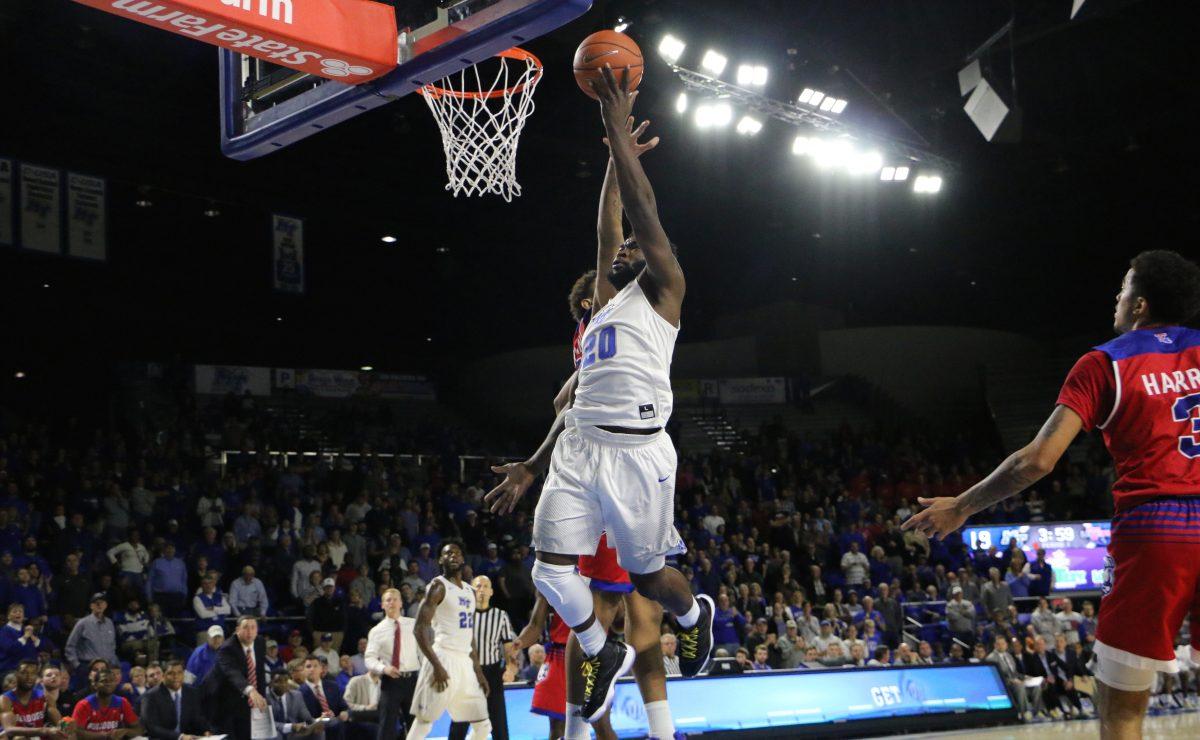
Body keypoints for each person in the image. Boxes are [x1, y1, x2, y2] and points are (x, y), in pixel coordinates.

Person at [486, 64, 713, 726]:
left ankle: (694, 613)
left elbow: (640, 212)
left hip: (639, 454)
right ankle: (596, 645)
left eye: (636, 248)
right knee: (550, 572)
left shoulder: (666, 288)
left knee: (649, 579)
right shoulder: (606, 306)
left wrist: (618, 133)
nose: (623, 253)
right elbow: (611, 225)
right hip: (582, 447)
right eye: (622, 251)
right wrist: (615, 162)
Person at [904, 251, 1200, 739]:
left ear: (1141, 305)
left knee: (1122, 708)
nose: (1117, 298)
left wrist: (961, 505)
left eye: (1123, 288)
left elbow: (1038, 460)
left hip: (1157, 528)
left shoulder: (1105, 362)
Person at [404, 542, 490, 740]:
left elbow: (470, 635)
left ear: (463, 559)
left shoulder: (470, 591)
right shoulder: (438, 586)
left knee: (483, 727)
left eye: (457, 553)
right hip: (443, 657)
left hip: (465, 664)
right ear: (440, 560)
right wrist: (436, 665)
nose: (453, 556)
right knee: (424, 724)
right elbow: (419, 629)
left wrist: (478, 671)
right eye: (448, 553)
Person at [448, 576, 515, 740]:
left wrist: (511, 668)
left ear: (491, 592)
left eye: (486, 586)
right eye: (478, 586)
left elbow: (508, 647)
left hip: (492, 673)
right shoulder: (462, 615)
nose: (482, 590)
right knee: (459, 722)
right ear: (471, 590)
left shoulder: (501, 615)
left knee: (499, 724)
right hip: (467, 673)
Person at [365, 588, 418, 740]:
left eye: (395, 599)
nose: (392, 602)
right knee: (387, 727)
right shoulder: (376, 631)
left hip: (413, 680)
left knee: (416, 726)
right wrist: (384, 668)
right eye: (388, 600)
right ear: (382, 605)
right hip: (391, 682)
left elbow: (424, 651)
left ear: (401, 603)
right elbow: (369, 658)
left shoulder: (414, 625)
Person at [209, 615, 269, 740]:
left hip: (247, 703)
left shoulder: (260, 642)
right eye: (246, 627)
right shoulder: (227, 648)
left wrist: (261, 697)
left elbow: (259, 673)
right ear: (237, 630)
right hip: (225, 703)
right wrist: (251, 690)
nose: (250, 632)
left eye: (253, 628)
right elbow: (233, 673)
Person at [71, 663, 143, 740]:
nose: (108, 684)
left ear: (116, 684)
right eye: (104, 681)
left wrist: (125, 731)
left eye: (112, 681)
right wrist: (105, 736)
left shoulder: (122, 702)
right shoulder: (84, 704)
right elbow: (76, 733)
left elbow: (138, 729)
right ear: (95, 685)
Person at [140, 659, 208, 740]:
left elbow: (197, 718)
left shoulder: (191, 692)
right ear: (163, 676)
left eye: (179, 673)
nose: (176, 676)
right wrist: (180, 737)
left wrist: (205, 730)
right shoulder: (150, 696)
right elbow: (152, 728)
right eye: (171, 673)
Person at [64, 594, 119, 689]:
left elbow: (112, 646)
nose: (99, 605)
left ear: (106, 605)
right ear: (91, 606)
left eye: (102, 603)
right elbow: (70, 646)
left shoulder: (109, 623)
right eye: (96, 603)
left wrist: (113, 664)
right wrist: (77, 665)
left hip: (106, 668)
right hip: (87, 668)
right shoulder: (83, 623)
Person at [1, 658, 63, 737]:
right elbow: (9, 729)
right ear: (16, 674)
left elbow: (60, 723)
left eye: (33, 673)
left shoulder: (45, 697)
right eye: (24, 673)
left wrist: (67, 726)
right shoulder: (5, 699)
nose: (29, 677)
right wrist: (44, 730)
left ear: (37, 677)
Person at [267, 669, 316, 740]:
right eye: (278, 681)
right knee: (276, 736)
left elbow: (307, 718)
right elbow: (268, 724)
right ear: (271, 683)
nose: (283, 684)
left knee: (318, 731)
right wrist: (291, 727)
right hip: (274, 733)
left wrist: (317, 723)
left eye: (285, 681)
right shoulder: (264, 697)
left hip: (294, 734)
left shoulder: (296, 695)